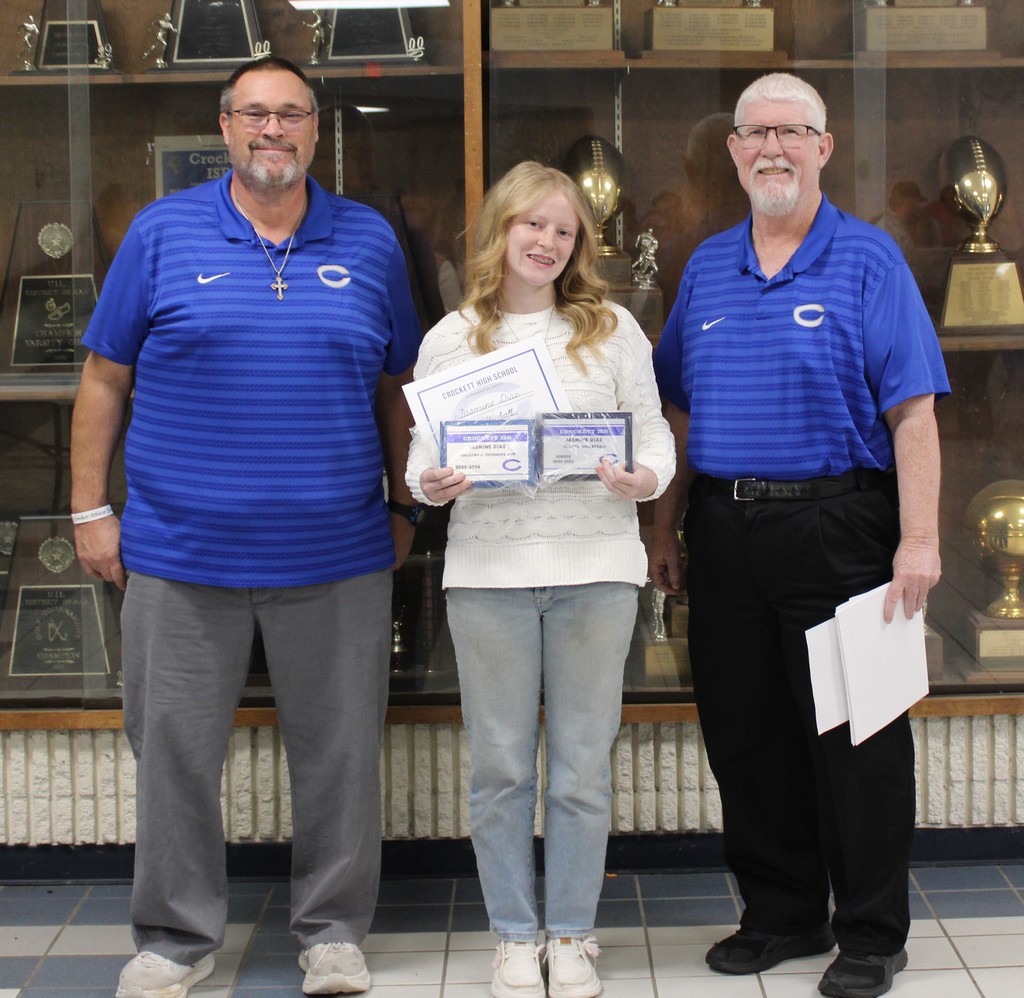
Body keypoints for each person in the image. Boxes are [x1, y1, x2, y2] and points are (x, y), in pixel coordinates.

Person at [70, 56, 422, 998]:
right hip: (181, 556)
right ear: (224, 127)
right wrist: (89, 509)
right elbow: (104, 378)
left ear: (318, 129)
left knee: (341, 752)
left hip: (338, 555)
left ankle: (333, 932)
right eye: (254, 114)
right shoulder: (160, 232)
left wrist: (402, 503)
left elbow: (399, 389)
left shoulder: (372, 240)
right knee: (174, 755)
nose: (274, 130)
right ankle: (174, 939)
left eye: (292, 114)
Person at [649, 73, 949, 998]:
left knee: (858, 738)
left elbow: (914, 416)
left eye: (792, 131)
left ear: (824, 147)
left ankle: (870, 931)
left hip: (843, 529)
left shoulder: (869, 261)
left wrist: (918, 542)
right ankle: (782, 913)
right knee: (748, 736)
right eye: (755, 133)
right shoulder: (704, 267)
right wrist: (664, 530)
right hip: (726, 530)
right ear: (732, 151)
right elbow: (679, 413)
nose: (772, 148)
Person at [405, 161, 675, 998]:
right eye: (533, 226)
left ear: (579, 244)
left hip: (596, 570)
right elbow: (422, 460)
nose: (548, 243)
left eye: (564, 231)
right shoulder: (453, 338)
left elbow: (657, 438)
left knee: (583, 766)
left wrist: (644, 479)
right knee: (500, 768)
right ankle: (513, 936)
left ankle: (572, 932)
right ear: (500, 232)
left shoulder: (614, 330)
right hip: (489, 574)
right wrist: (434, 484)